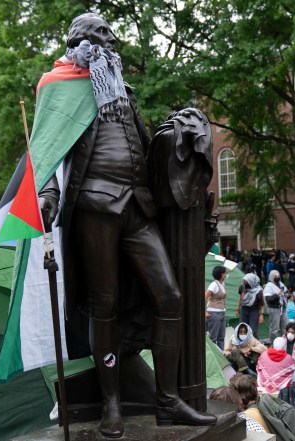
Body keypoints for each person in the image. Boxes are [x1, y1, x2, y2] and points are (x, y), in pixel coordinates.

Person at [36, 13, 215, 435]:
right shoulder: (58, 86)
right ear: (81, 41)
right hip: (94, 206)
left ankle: (167, 401)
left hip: (137, 205)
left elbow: (144, 145)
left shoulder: (122, 91)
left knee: (169, 297)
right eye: (102, 35)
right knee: (105, 306)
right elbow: (44, 149)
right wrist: (48, 193)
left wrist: (176, 131)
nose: (111, 42)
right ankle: (112, 404)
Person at [205, 266, 228, 350]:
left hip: (222, 313)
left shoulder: (222, 284)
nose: (226, 274)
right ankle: (213, 358)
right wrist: (204, 311)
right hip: (214, 313)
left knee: (221, 338)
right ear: (222, 275)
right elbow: (205, 296)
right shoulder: (214, 284)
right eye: (225, 273)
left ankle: (221, 358)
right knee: (213, 338)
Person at [237, 271, 265, 338]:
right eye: (244, 281)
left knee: (252, 330)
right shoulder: (242, 287)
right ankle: (243, 344)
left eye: (246, 281)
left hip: (254, 310)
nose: (245, 283)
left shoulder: (259, 291)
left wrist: (261, 314)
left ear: (251, 282)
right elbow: (240, 298)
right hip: (244, 309)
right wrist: (237, 309)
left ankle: (254, 345)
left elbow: (262, 304)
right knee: (242, 328)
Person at [264, 270, 288, 343]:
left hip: (283, 308)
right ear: (272, 277)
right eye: (275, 276)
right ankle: (273, 343)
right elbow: (268, 299)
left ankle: (284, 342)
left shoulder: (281, 284)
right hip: (274, 309)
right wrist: (276, 294)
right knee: (275, 328)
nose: (277, 277)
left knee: (284, 326)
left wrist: (286, 295)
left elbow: (286, 293)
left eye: (278, 276)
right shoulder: (269, 286)